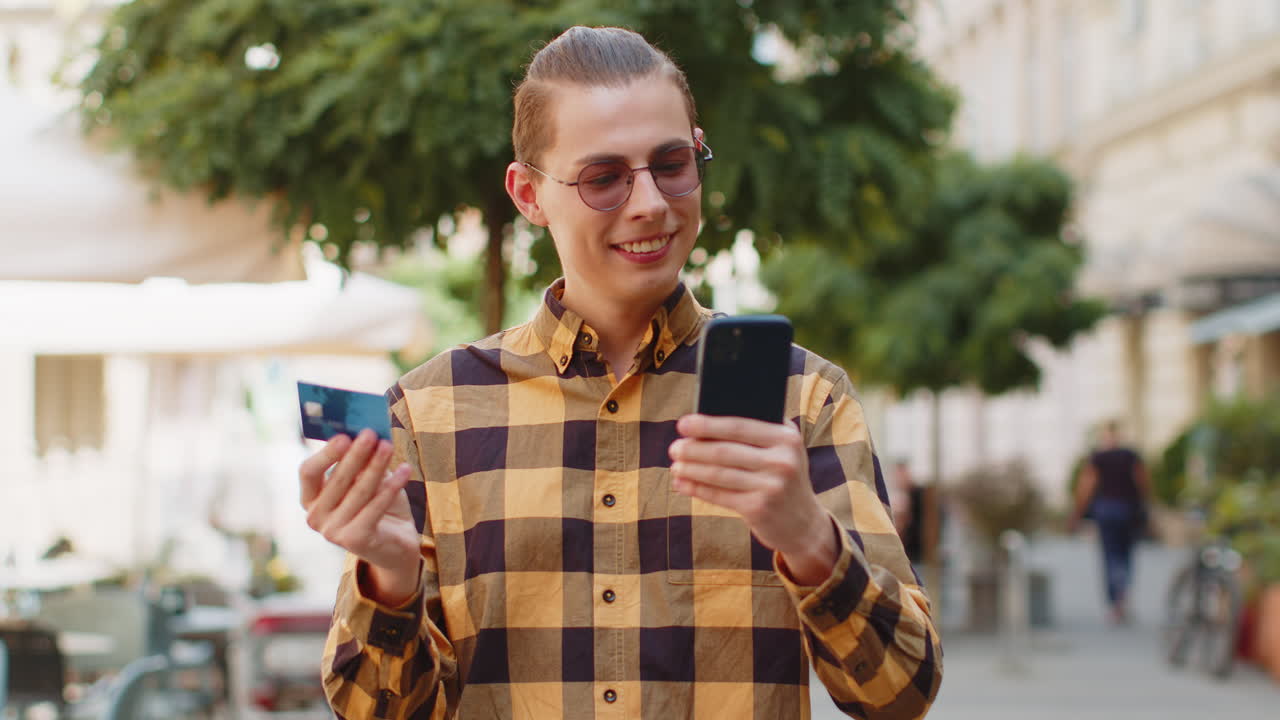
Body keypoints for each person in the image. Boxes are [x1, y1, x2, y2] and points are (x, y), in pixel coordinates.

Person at [299, 26, 941, 719]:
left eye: (672, 164)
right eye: (604, 177)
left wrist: (810, 540)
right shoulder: (431, 414)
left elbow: (900, 694)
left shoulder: (804, 400)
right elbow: (378, 711)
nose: (651, 203)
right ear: (528, 195)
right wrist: (390, 580)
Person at [1068, 421, 1152, 625]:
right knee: (1126, 556)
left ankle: (1116, 601)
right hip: (1128, 510)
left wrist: (1077, 513)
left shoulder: (1099, 457)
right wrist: (1147, 506)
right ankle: (1123, 597)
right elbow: (1143, 481)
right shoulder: (1130, 456)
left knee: (1110, 556)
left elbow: (1087, 485)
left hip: (1107, 510)